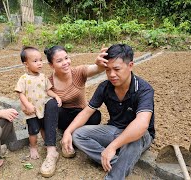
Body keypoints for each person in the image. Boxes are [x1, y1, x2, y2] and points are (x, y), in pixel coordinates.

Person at [61, 44, 155, 180]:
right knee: (78, 134)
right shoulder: (105, 87)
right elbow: (87, 112)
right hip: (114, 130)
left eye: (116, 69)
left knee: (133, 140)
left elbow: (142, 124)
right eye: (107, 70)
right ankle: (120, 163)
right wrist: (68, 132)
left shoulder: (143, 89)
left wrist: (112, 147)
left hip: (139, 135)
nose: (111, 75)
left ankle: (114, 175)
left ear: (130, 66)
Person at [15, 46, 62, 160]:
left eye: (41, 60)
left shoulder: (43, 77)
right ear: (26, 64)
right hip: (31, 111)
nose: (40, 63)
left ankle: (48, 144)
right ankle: (33, 146)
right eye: (35, 61)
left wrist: (56, 96)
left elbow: (48, 90)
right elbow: (20, 93)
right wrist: (27, 105)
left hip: (43, 109)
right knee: (33, 130)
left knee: (44, 128)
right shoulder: (24, 78)